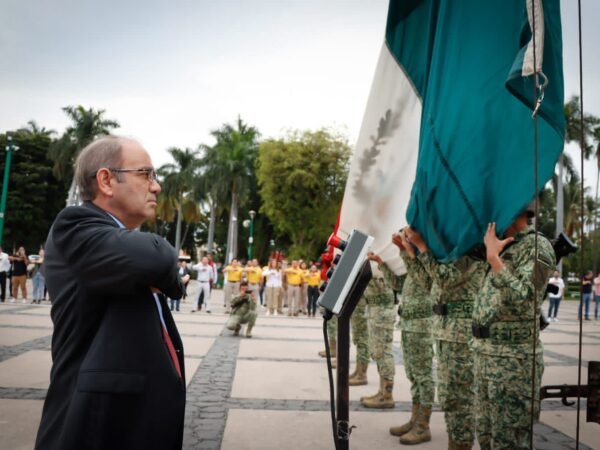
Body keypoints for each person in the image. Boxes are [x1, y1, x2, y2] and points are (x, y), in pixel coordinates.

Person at [34, 136, 185, 450]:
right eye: (145, 174)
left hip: (130, 422)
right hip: (95, 424)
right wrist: (164, 266)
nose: (156, 187)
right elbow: (155, 257)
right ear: (106, 180)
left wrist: (163, 272)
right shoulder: (75, 224)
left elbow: (164, 274)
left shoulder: (116, 239)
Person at [472, 211, 555, 449]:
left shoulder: (539, 248)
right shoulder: (504, 245)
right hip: (486, 355)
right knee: (486, 438)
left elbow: (526, 300)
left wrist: (494, 259)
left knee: (509, 441)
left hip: (513, 362)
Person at [406, 226, 486, 450]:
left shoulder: (472, 249)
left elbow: (444, 279)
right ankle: (455, 443)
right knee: (449, 396)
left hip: (460, 334)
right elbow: (429, 283)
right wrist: (409, 253)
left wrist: (422, 247)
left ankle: (460, 444)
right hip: (445, 331)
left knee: (459, 398)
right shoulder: (450, 253)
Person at [388, 232, 435, 445]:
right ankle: (415, 419)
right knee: (414, 374)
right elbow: (399, 285)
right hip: (408, 324)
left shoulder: (430, 257)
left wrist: (410, 250)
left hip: (422, 325)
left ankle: (423, 425)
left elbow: (427, 281)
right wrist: (399, 253)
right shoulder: (413, 261)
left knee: (423, 376)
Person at [357, 252, 397, 410]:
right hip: (375, 310)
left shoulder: (385, 261)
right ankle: (382, 391)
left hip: (382, 311)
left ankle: (387, 395)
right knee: (378, 352)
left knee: (383, 353)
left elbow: (383, 284)